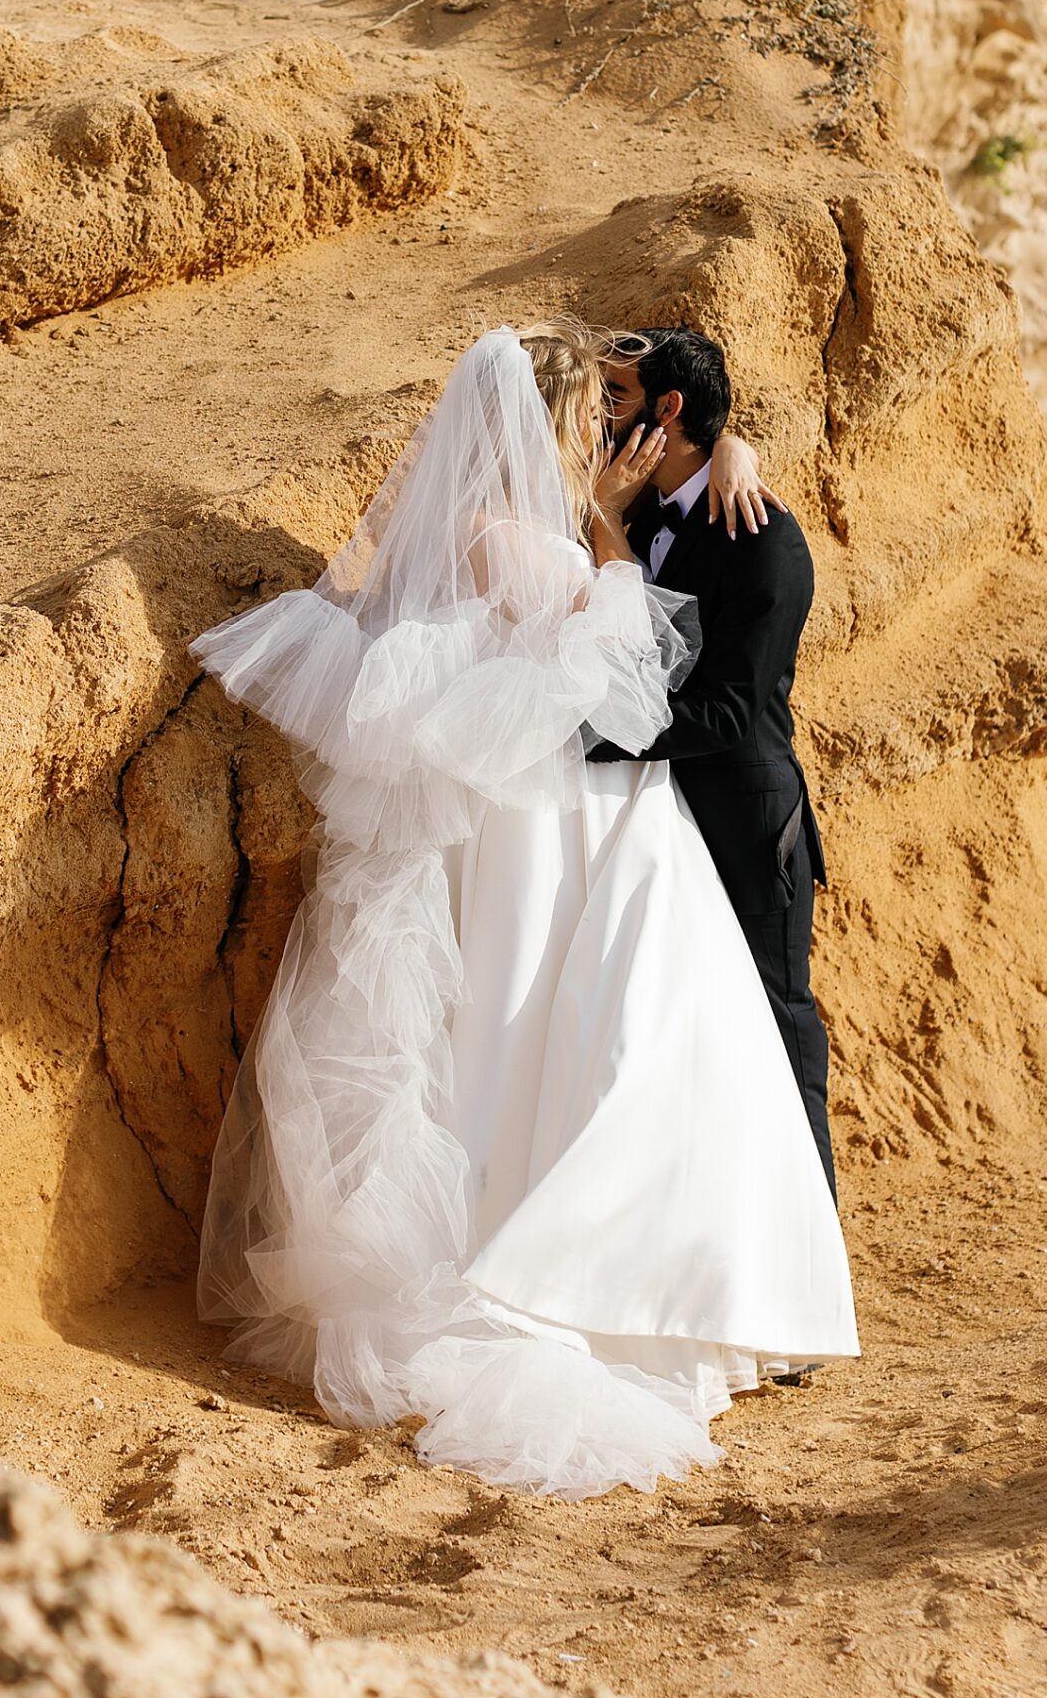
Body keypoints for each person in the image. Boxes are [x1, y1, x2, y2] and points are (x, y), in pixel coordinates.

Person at [190, 322, 858, 1500]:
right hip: (562, 822)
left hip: (583, 815)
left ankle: (692, 1281)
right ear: (548, 422)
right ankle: (593, 1281)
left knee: (596, 1030)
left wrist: (705, 461)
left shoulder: (549, 525)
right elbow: (618, 659)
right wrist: (604, 529)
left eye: (623, 413)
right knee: (598, 1036)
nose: (609, 430)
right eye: (592, 413)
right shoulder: (518, 538)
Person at [593, 328, 839, 1202]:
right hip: (655, 823)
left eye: (614, 397)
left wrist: (588, 731)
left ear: (667, 410)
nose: (597, 413)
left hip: (744, 821)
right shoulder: (627, 507)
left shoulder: (763, 536)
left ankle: (811, 1249)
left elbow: (732, 710)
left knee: (778, 1028)